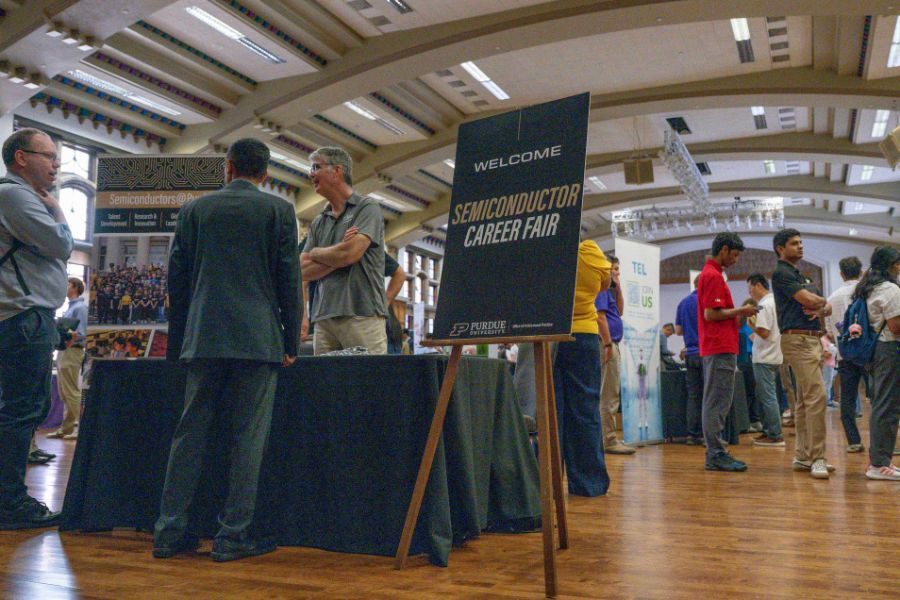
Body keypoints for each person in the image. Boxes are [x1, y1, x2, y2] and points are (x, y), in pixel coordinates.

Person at [154, 138, 301, 561]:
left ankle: (168, 532)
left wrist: (179, 340)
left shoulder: (195, 210)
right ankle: (232, 536)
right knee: (247, 438)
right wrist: (290, 340)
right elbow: (288, 280)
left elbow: (176, 282)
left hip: (203, 338)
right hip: (257, 340)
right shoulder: (278, 210)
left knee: (189, 435)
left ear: (228, 167)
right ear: (266, 174)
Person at [0, 127, 74, 529]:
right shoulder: (13, 195)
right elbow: (61, 245)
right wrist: (60, 213)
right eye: (48, 156)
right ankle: (10, 505)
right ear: (21, 158)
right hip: (22, 317)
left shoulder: (21, 197)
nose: (56, 164)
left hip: (25, 317)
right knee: (21, 411)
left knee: (22, 409)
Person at [301, 146, 387, 355]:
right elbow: (302, 269)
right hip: (323, 318)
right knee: (325, 386)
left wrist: (316, 253)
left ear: (337, 171)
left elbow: (350, 254)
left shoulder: (367, 208)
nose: (311, 174)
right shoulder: (319, 221)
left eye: (316, 167)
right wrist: (339, 256)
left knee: (367, 385)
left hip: (361, 314)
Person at [772, 228, 835, 479]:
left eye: (801, 242)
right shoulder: (782, 273)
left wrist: (820, 305)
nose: (800, 246)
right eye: (794, 243)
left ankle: (803, 455)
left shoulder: (800, 274)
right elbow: (811, 299)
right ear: (780, 248)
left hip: (811, 340)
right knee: (817, 397)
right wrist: (818, 303)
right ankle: (817, 458)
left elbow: (824, 305)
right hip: (797, 340)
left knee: (804, 399)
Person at [553, 239, 611, 496]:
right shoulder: (589, 251)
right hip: (584, 336)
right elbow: (606, 284)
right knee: (586, 411)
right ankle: (589, 483)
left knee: (551, 413)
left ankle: (550, 482)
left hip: (550, 336)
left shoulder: (549, 253)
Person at [697, 232, 757, 472]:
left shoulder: (712, 274)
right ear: (723, 250)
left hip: (720, 346)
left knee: (717, 402)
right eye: (733, 255)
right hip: (719, 347)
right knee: (716, 403)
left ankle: (716, 452)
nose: (735, 260)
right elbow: (710, 314)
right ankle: (716, 453)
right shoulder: (712, 275)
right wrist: (741, 311)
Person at [852, 247, 900, 481]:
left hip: (877, 352)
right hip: (889, 349)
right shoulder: (890, 289)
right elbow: (896, 327)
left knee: (884, 403)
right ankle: (879, 464)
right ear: (891, 265)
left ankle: (882, 460)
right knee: (887, 406)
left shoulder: (867, 287)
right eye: (898, 263)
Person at [824, 256, 865, 452]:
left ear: (841, 274)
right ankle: (884, 441)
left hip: (845, 353)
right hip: (868, 352)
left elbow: (830, 333)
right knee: (878, 397)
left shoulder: (832, 298)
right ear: (862, 271)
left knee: (847, 399)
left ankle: (854, 441)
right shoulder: (867, 292)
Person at [596, 254, 633, 455]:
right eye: (614, 269)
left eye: (618, 269)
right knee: (608, 395)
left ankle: (607, 438)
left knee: (609, 393)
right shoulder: (600, 288)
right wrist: (608, 343)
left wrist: (618, 286)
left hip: (612, 344)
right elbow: (600, 318)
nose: (617, 273)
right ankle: (608, 440)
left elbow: (619, 311)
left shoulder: (609, 290)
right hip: (607, 344)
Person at [47, 277, 88, 440]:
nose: (64, 286)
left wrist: (69, 337)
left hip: (73, 350)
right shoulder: (70, 308)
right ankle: (67, 428)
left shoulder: (80, 308)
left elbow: (83, 333)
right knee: (64, 392)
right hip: (64, 350)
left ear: (75, 287)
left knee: (71, 391)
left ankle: (78, 427)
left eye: (68, 284)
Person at [746, 274, 785, 447]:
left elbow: (764, 332)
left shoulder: (764, 305)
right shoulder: (776, 302)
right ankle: (769, 430)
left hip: (764, 356)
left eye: (750, 288)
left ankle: (775, 434)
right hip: (775, 354)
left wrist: (751, 325)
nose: (749, 292)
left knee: (768, 397)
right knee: (769, 395)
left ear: (758, 286)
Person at [675, 275, 703, 445]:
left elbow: (678, 331)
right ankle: (709, 436)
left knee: (694, 396)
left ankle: (692, 435)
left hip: (690, 353)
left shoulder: (683, 303)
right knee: (709, 397)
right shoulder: (707, 301)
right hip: (707, 353)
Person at [737, 298, 761, 432]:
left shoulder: (746, 323)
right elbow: (755, 339)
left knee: (752, 392)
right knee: (749, 392)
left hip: (750, 358)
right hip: (746, 359)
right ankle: (749, 421)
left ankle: (754, 419)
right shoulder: (744, 324)